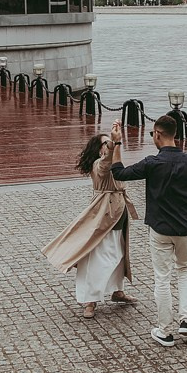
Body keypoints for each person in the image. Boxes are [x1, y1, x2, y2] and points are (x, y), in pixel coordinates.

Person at [109, 116, 187, 347]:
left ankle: (164, 330)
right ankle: (186, 320)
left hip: (160, 228)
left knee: (162, 278)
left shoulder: (152, 163)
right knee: (185, 272)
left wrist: (117, 143)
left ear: (157, 133)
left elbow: (119, 173)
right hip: (186, 227)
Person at [42, 132, 139, 318]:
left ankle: (117, 290)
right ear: (98, 148)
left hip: (118, 213)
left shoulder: (114, 161)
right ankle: (90, 300)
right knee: (101, 257)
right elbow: (105, 166)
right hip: (104, 215)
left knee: (119, 254)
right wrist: (113, 143)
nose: (107, 145)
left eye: (108, 143)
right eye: (104, 143)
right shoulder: (99, 164)